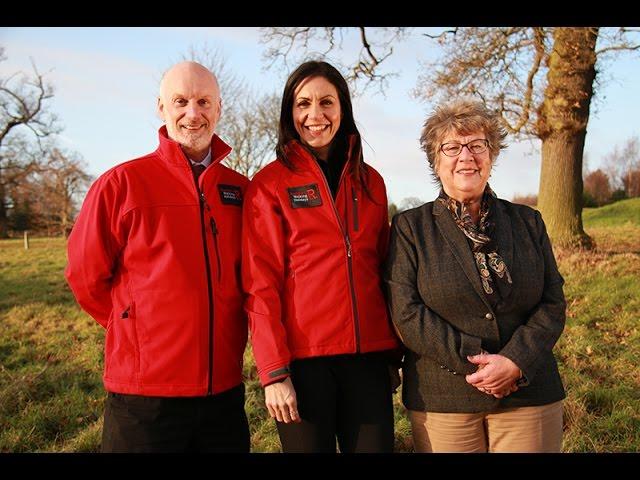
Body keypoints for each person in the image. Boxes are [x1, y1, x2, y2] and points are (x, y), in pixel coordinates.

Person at [65, 61, 250, 453]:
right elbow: (85, 276)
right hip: (144, 399)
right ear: (161, 107)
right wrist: (133, 327)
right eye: (180, 101)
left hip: (223, 393)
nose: (192, 113)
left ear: (219, 108)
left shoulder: (241, 190)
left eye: (203, 101)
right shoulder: (120, 184)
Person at [384, 98, 566, 453]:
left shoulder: (528, 222)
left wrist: (515, 361)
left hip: (528, 390)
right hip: (444, 397)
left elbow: (553, 302)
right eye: (451, 147)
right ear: (436, 161)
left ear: (492, 155)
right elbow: (406, 312)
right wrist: (477, 361)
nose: (465, 156)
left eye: (477, 145)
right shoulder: (410, 228)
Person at [242, 60, 401, 453]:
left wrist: (393, 351)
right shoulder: (268, 185)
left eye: (326, 102)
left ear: (342, 109)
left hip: (368, 363)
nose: (316, 115)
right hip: (302, 365)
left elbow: (387, 271)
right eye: (303, 104)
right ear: (289, 113)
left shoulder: (372, 182)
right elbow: (260, 285)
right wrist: (274, 372)